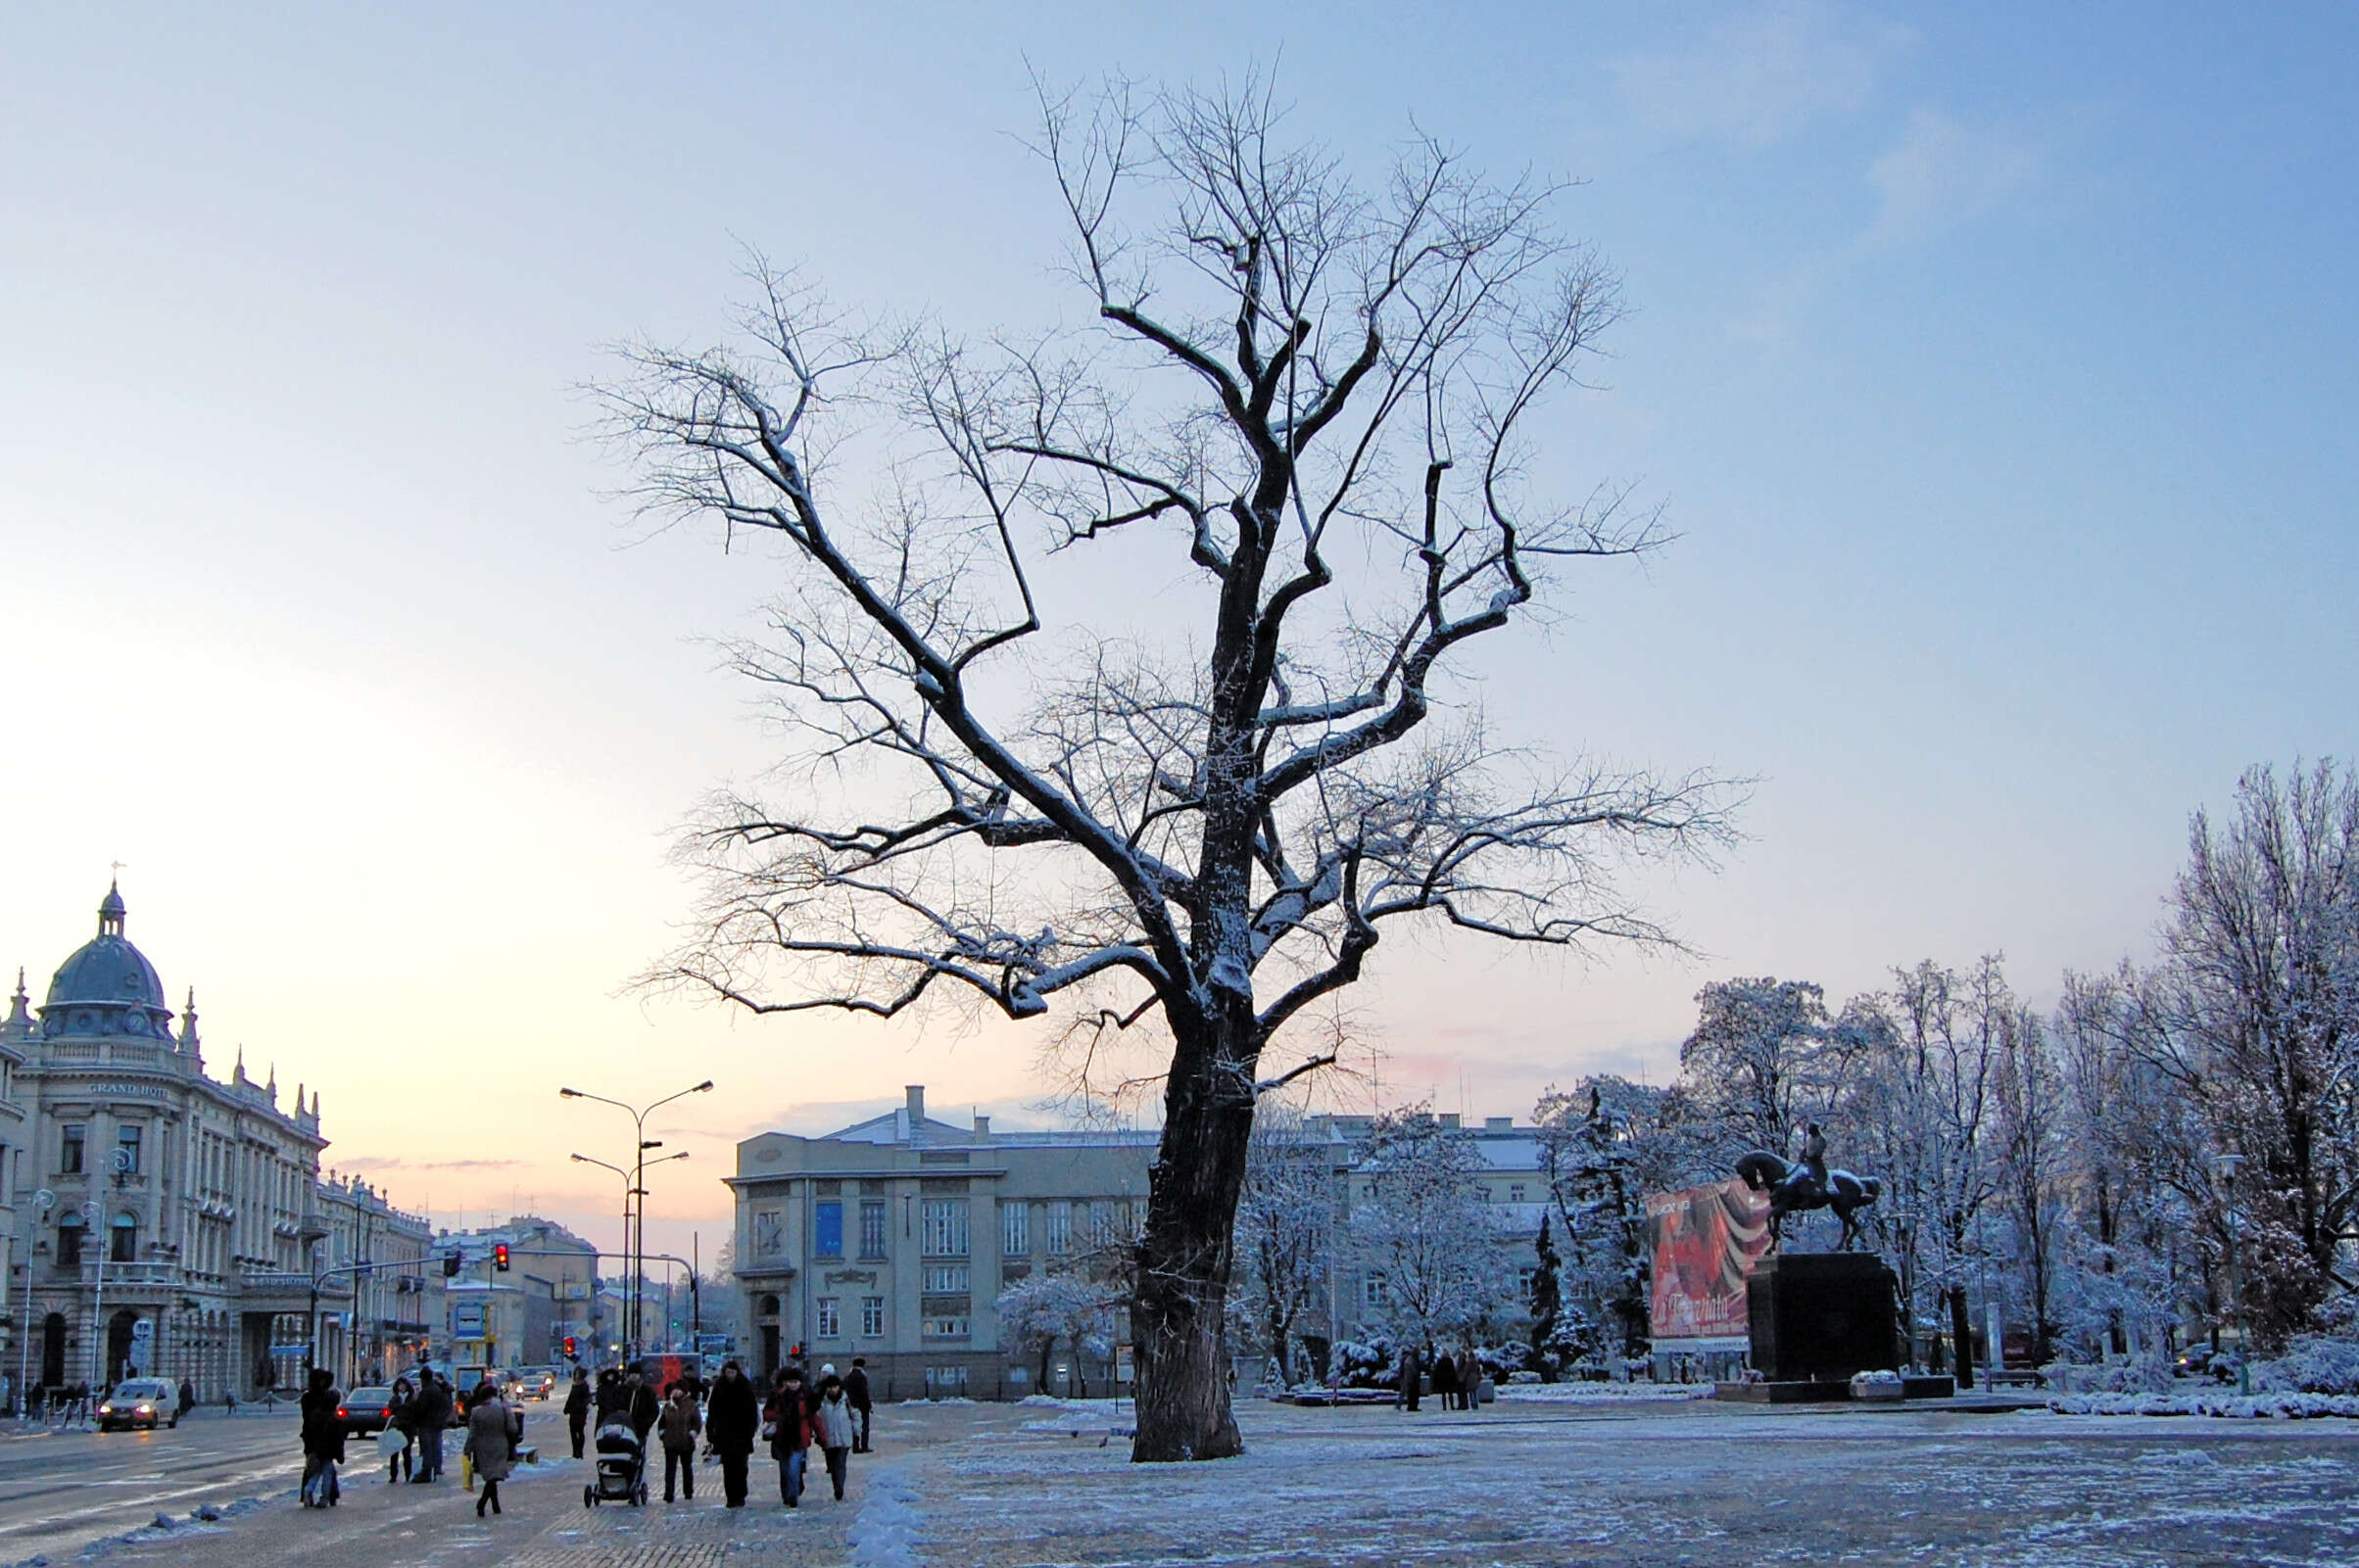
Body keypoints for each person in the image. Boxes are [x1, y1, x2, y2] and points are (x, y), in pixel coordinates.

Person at [704, 1359, 758, 1508]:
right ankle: (730, 1496)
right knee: (728, 1467)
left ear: (737, 1372)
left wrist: (751, 1429)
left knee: (741, 1466)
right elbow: (712, 1410)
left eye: (733, 1372)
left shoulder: (745, 1386)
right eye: (728, 1372)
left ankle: (740, 1494)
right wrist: (711, 1431)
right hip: (724, 1434)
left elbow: (752, 1410)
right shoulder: (719, 1386)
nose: (730, 1375)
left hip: (742, 1433)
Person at [463, 1380, 517, 1518]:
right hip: (500, 1445)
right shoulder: (503, 1409)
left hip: (482, 1448)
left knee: (491, 1476)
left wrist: (467, 1450)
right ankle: (482, 1503)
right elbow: (513, 1428)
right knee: (493, 1477)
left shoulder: (476, 1412)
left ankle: (495, 1506)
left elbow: (472, 1434)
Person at [764, 1367, 812, 1507]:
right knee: (785, 1469)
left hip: (798, 1437)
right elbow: (767, 1413)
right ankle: (788, 1493)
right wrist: (778, 1417)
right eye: (787, 1381)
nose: (789, 1384)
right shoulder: (777, 1396)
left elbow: (813, 1416)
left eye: (792, 1381)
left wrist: (820, 1436)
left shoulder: (805, 1395)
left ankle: (793, 1494)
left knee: (793, 1467)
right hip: (782, 1438)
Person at [298, 1368, 345, 1508]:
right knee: (324, 1468)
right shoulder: (325, 1398)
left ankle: (309, 1495)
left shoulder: (309, 1398)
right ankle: (330, 1496)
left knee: (312, 1467)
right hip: (321, 1436)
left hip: (313, 1436)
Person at [812, 1373, 855, 1501]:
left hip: (844, 1438)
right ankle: (836, 1483)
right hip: (828, 1439)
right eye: (830, 1387)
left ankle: (839, 1488)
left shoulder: (846, 1400)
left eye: (835, 1386)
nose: (833, 1389)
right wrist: (818, 1434)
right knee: (832, 1465)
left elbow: (855, 1415)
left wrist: (857, 1431)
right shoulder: (821, 1402)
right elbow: (817, 1419)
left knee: (840, 1464)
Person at [656, 1383, 702, 1502]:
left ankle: (688, 1492)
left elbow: (697, 1423)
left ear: (684, 1392)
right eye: (674, 1390)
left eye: (678, 1390)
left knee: (687, 1468)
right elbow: (662, 1423)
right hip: (670, 1442)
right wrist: (662, 1435)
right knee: (670, 1469)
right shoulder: (668, 1406)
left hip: (686, 1442)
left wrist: (691, 1435)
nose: (675, 1392)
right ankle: (669, 1494)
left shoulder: (691, 1405)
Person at [412, 1372, 450, 1481]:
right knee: (435, 1447)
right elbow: (446, 1406)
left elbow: (420, 1409)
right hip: (437, 1423)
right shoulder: (439, 1390)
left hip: (427, 1423)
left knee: (427, 1448)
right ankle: (434, 1469)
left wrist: (416, 1418)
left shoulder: (426, 1391)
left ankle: (426, 1472)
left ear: (423, 1379)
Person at [385, 1376, 417, 1482]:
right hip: (396, 1429)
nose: (402, 1387)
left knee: (406, 1453)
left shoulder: (412, 1398)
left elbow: (413, 1412)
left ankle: (408, 1475)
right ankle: (393, 1476)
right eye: (400, 1385)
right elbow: (390, 1411)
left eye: (403, 1385)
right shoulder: (394, 1398)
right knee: (394, 1454)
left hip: (408, 1429)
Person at [626, 1370, 660, 1449]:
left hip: (640, 1430)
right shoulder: (621, 1390)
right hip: (622, 1427)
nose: (633, 1376)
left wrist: (645, 1425)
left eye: (636, 1374)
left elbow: (654, 1411)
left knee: (638, 1451)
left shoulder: (647, 1391)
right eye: (631, 1374)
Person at [844, 1357, 872, 1453]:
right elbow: (864, 1392)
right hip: (862, 1405)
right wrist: (868, 1404)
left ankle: (855, 1446)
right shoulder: (861, 1376)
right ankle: (864, 1446)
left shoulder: (849, 1376)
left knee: (855, 1426)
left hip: (852, 1404)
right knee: (864, 1426)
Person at [563, 1365, 592, 1459]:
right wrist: (567, 1408)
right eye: (575, 1373)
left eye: (578, 1373)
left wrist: (580, 1406)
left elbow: (587, 1399)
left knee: (580, 1431)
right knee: (573, 1432)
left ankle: (579, 1451)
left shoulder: (584, 1386)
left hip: (580, 1412)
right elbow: (571, 1398)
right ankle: (575, 1451)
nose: (576, 1375)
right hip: (573, 1412)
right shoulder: (574, 1385)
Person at [1396, 1344, 1422, 1412]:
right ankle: (1409, 1406)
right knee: (1409, 1393)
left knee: (1408, 1393)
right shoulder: (1411, 1359)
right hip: (1410, 1379)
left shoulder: (1409, 1359)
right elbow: (1412, 1370)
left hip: (1408, 1378)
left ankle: (1402, 1405)